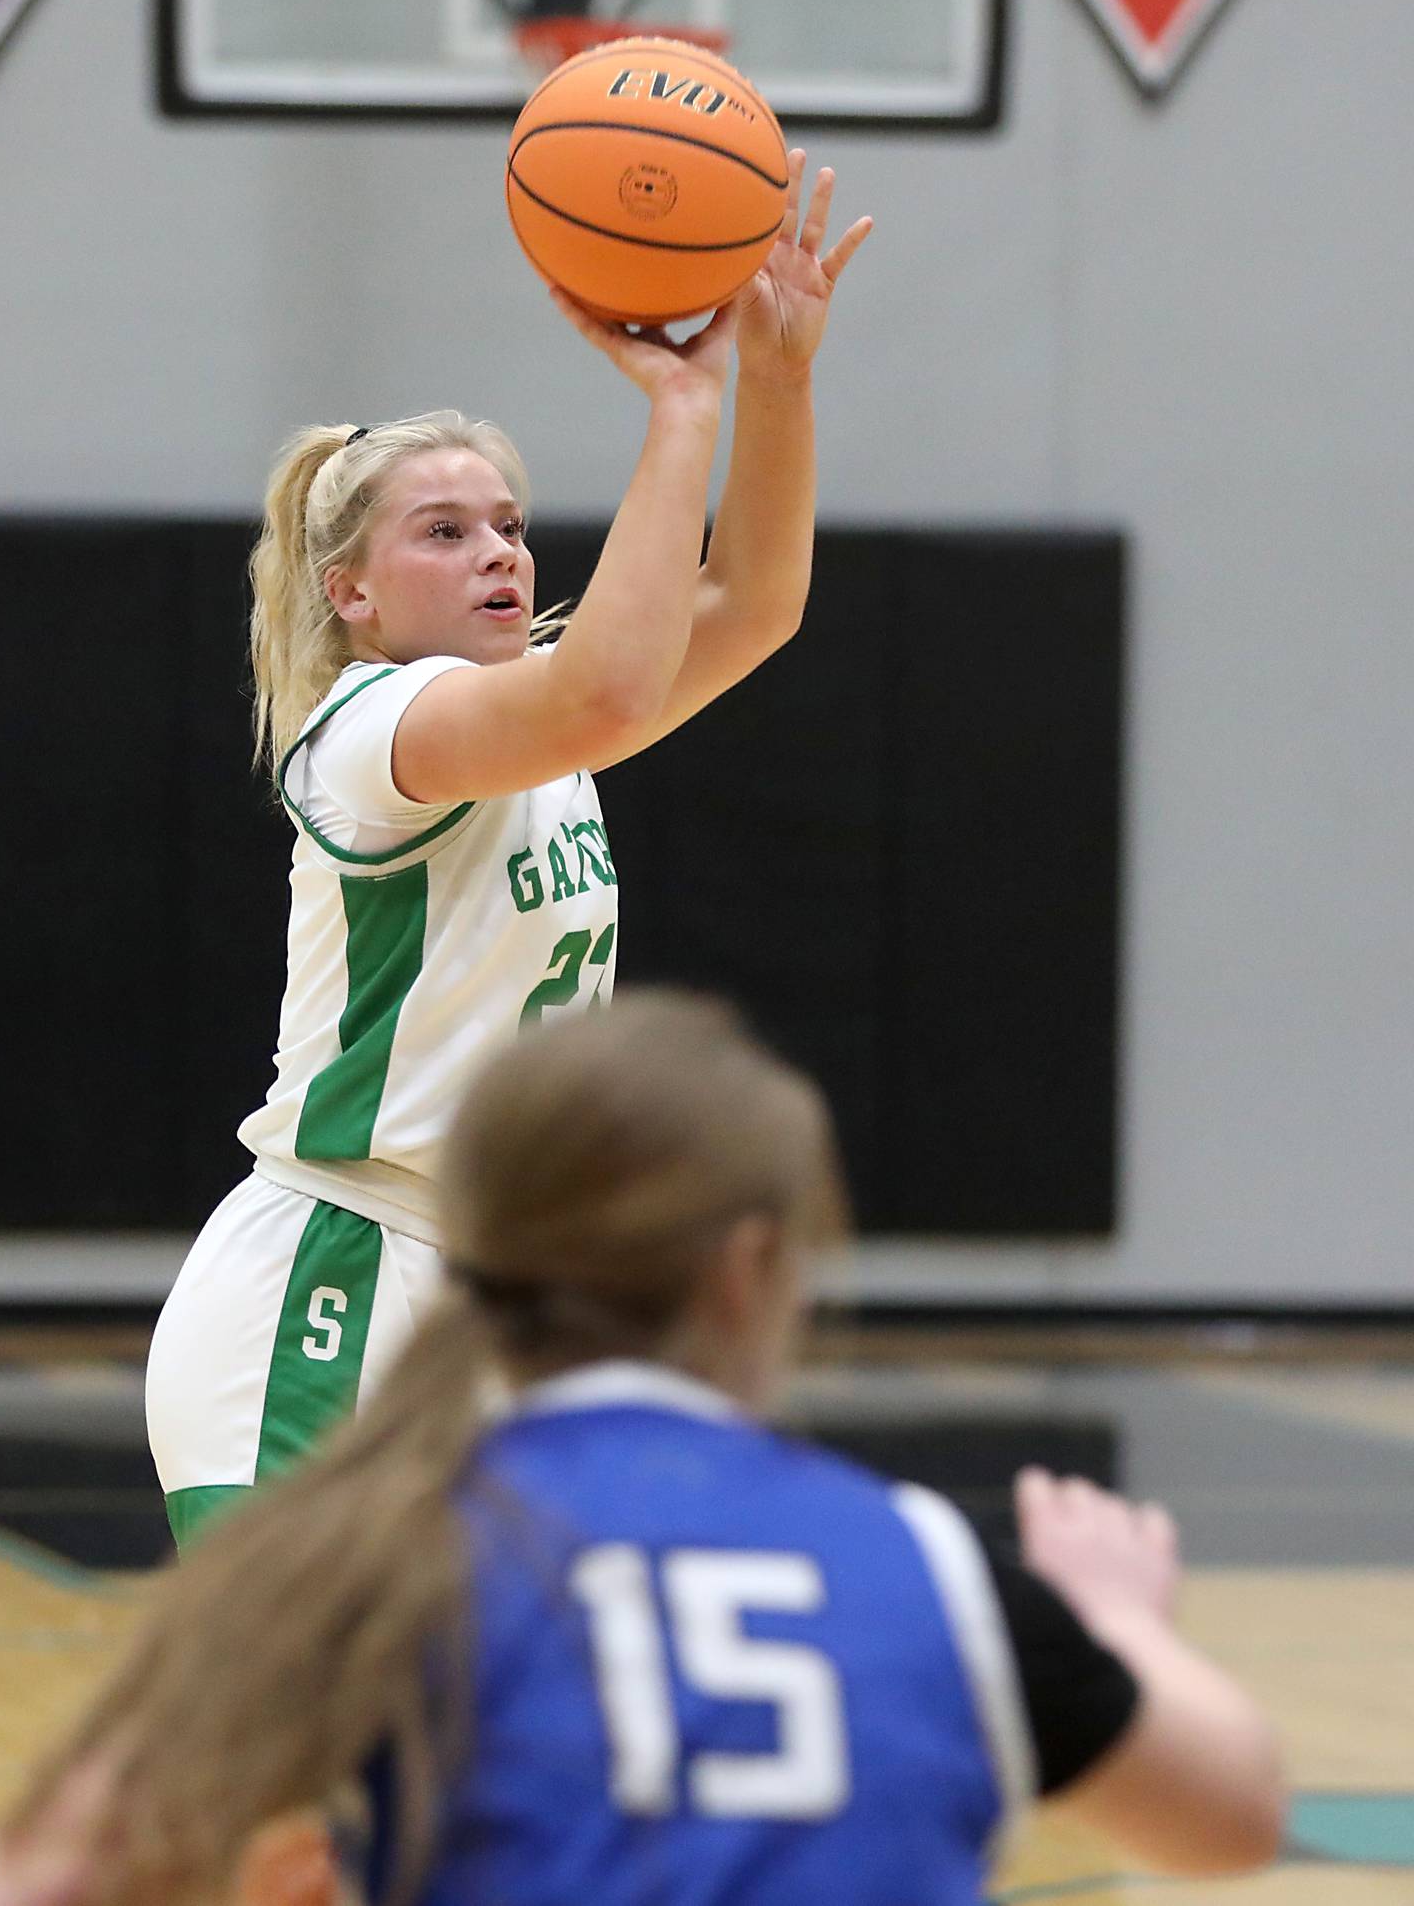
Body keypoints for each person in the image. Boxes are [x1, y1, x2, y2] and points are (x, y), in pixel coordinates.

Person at [0, 993, 1283, 1906]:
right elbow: (1235, 1814)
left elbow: (32, 1875)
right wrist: (1123, 1626)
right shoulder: (933, 1568)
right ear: (753, 1268)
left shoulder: (356, 1567)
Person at [144, 152, 874, 1549]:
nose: (502, 553)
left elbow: (757, 600)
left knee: (475, 1741)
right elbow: (601, 686)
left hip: (495, 1289)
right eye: (447, 531)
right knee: (294, 1744)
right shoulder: (373, 727)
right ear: (351, 592)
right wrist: (682, 400)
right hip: (334, 1274)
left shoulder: (538, 721)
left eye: (511, 525)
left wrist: (775, 378)